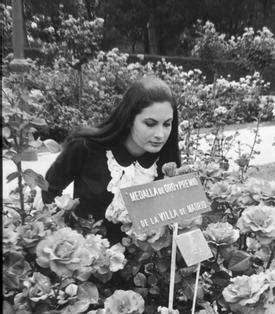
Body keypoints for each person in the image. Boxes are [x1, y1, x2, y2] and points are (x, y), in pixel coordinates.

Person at [41, 75, 181, 244]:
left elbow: (175, 212)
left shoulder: (167, 160)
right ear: (129, 119)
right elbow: (49, 189)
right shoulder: (85, 147)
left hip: (145, 262)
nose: (160, 134)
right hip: (88, 260)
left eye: (167, 124)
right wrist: (66, 237)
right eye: (150, 123)